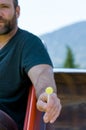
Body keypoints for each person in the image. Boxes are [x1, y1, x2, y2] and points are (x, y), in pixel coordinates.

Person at [0, 0, 62, 130]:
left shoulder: (29, 44)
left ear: (17, 12)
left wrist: (45, 95)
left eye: (4, 7)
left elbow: (42, 74)